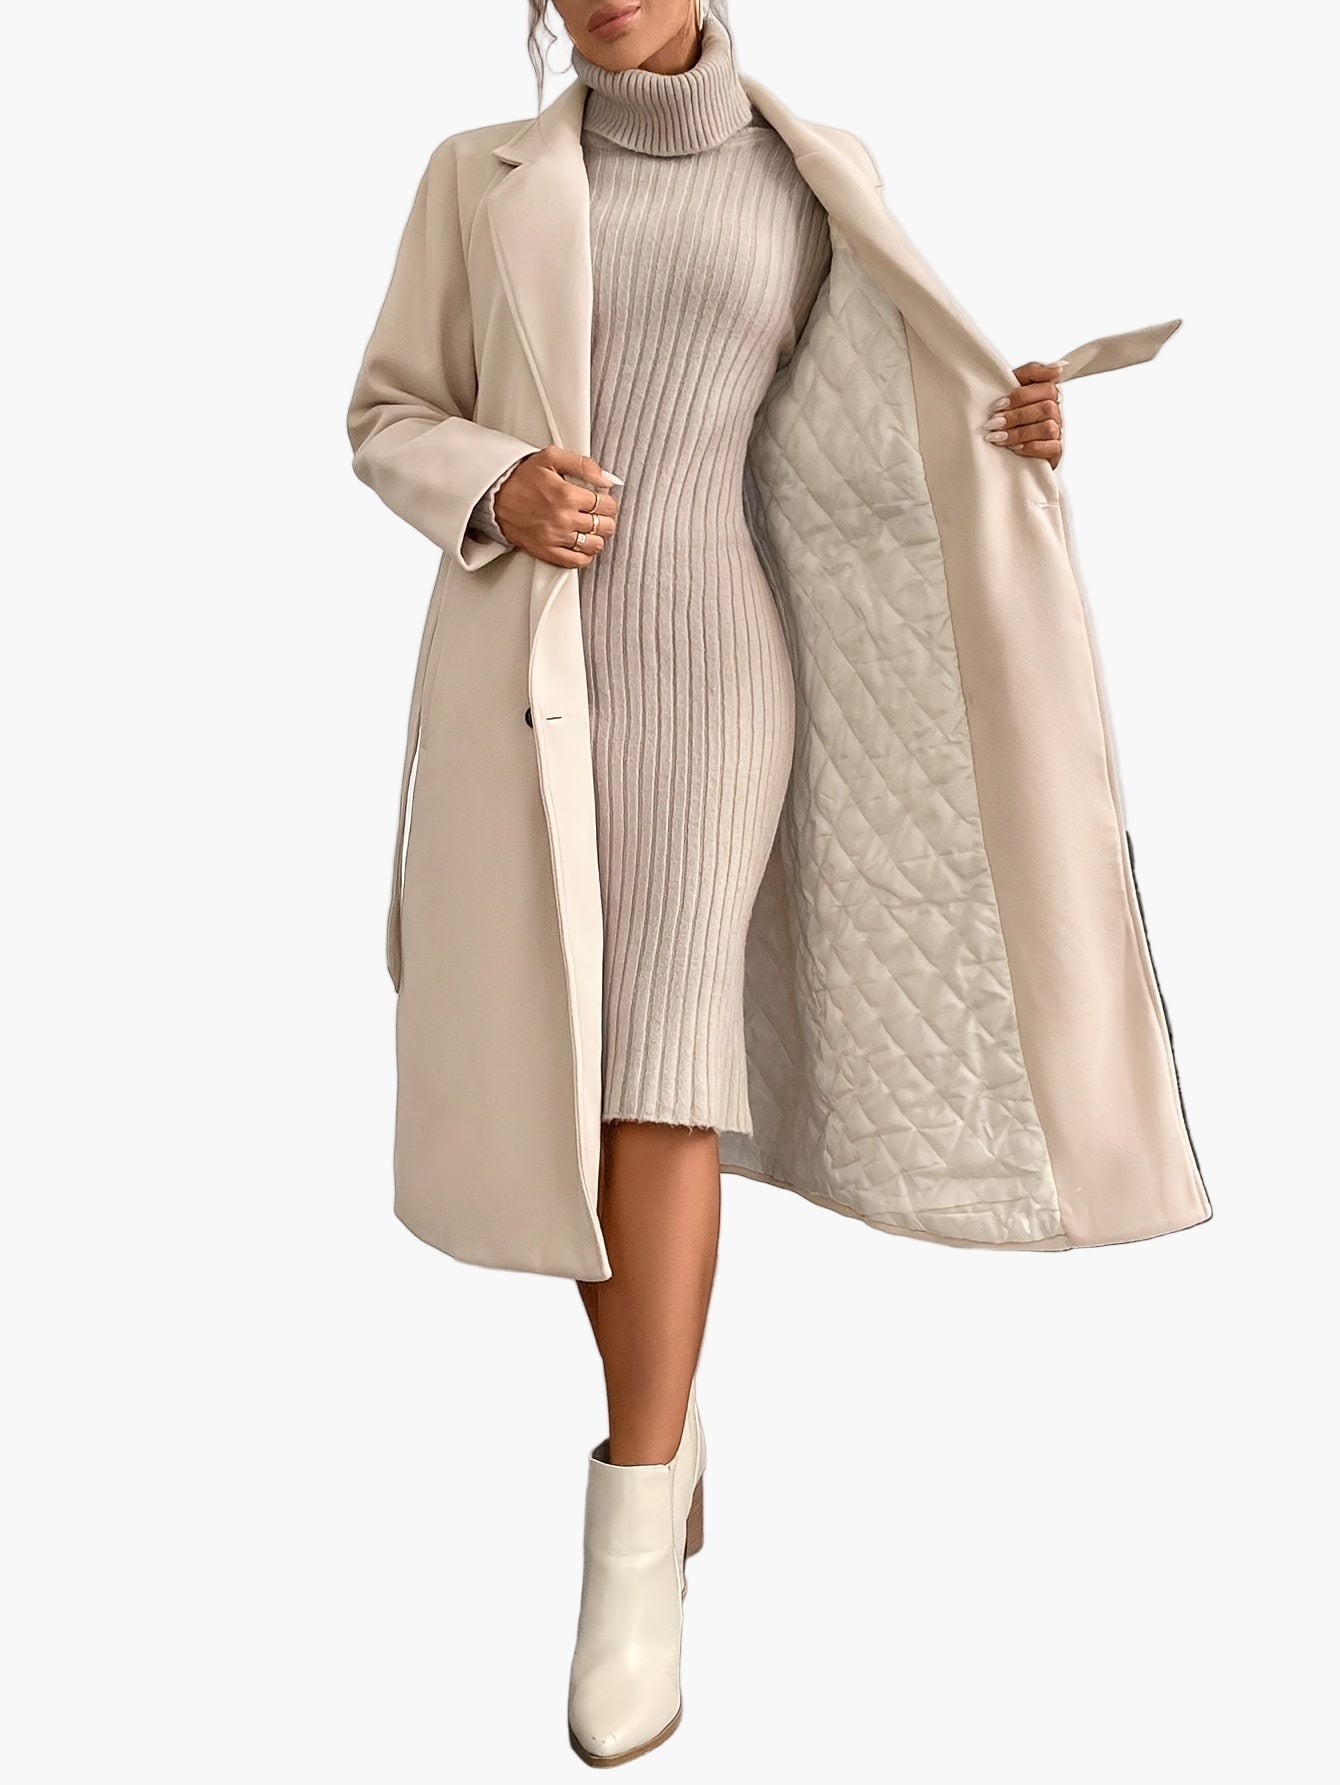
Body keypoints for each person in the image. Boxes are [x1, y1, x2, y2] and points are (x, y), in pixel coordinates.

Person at [348, 1, 1192, 1769]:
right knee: (566, 1086)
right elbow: (385, 410)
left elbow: (863, 429)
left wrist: (1009, 423)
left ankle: (630, 1532)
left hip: (721, 670)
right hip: (522, 684)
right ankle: (670, 1429)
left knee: (660, 1068)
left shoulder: (813, 176)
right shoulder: (474, 176)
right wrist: (496, 482)